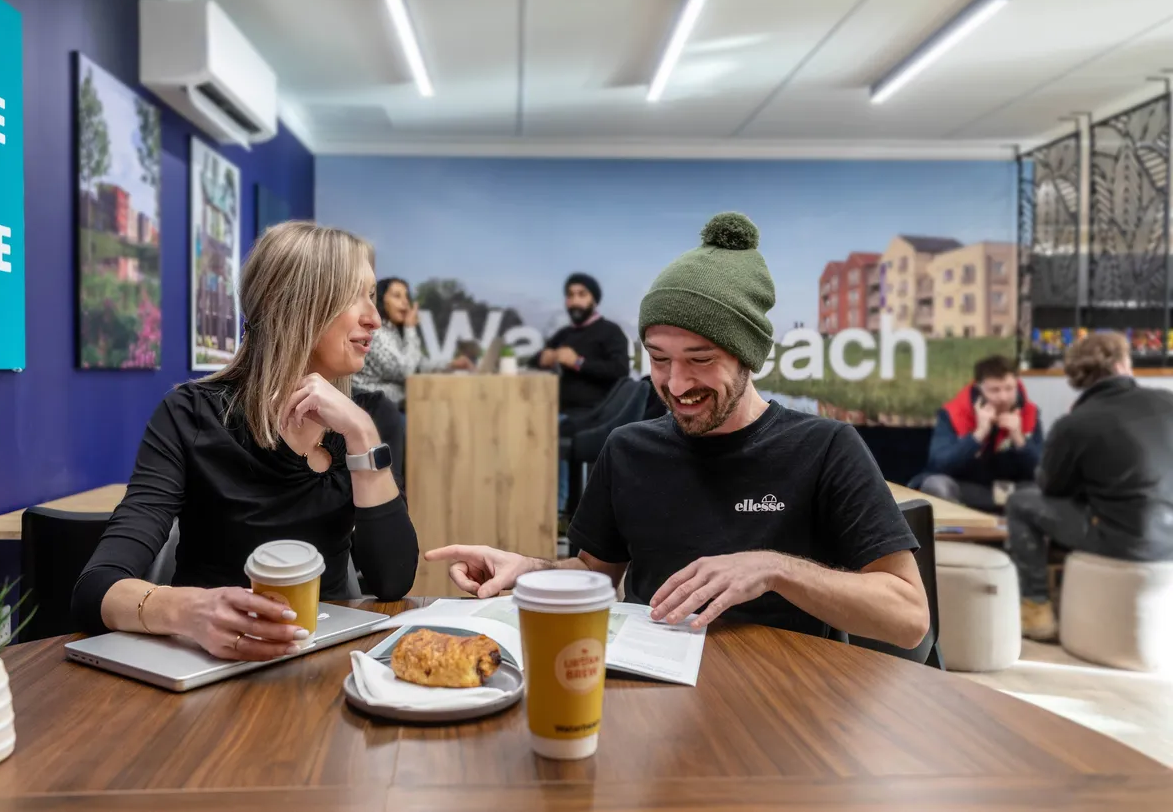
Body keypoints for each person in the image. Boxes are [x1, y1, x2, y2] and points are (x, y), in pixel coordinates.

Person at [427, 213, 929, 648]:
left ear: (748, 356)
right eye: (659, 359)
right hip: (653, 694)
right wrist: (529, 571)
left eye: (700, 359)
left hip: (785, 698)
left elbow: (908, 621)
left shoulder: (825, 448)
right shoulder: (628, 449)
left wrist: (773, 568)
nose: (676, 383)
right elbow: (595, 578)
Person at [71, 222, 419, 662]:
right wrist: (187, 611)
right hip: (204, 660)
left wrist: (363, 436)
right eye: (356, 295)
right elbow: (96, 587)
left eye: (373, 295)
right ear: (295, 304)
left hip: (326, 659)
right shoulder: (188, 413)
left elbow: (393, 581)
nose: (375, 318)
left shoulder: (370, 417)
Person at [1008, 333, 1173, 641]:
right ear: (1124, 364)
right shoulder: (1168, 402)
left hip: (1125, 541)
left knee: (1021, 502)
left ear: (1076, 380)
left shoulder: (1075, 424)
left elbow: (1053, 489)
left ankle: (1036, 609)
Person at [913, 355, 1043, 512]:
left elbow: (1042, 471)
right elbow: (938, 464)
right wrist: (977, 436)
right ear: (979, 389)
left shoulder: (1029, 413)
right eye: (994, 390)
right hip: (968, 488)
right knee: (936, 484)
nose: (1003, 397)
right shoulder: (954, 413)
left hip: (1013, 490)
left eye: (1009, 389)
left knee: (1044, 490)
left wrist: (1019, 439)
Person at [352, 277, 472, 408]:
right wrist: (410, 328)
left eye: (406, 297)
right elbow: (407, 371)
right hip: (373, 411)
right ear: (381, 301)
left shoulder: (394, 331)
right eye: (397, 296)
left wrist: (451, 364)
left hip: (395, 408)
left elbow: (418, 364)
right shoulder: (375, 333)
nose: (405, 302)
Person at [536, 273, 631, 419]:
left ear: (594, 300)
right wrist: (542, 359)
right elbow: (535, 360)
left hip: (591, 415)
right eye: (570, 296)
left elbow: (620, 370)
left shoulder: (610, 331)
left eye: (582, 295)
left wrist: (578, 362)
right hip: (553, 407)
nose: (575, 301)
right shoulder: (564, 334)